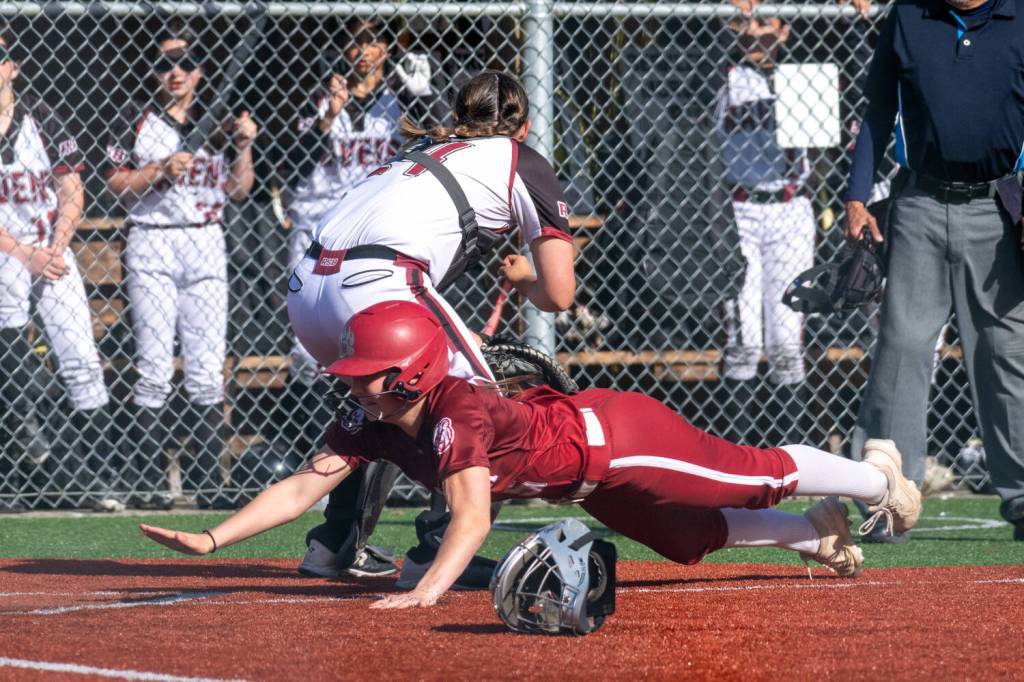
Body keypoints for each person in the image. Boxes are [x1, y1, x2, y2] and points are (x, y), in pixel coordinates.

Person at [140, 300, 922, 610]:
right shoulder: (380, 420)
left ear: (409, 372)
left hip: (617, 437)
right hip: (581, 482)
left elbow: (472, 518)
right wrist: (212, 539)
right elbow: (300, 489)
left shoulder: (457, 410)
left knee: (750, 475)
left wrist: (426, 592)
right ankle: (813, 531)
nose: (357, 389)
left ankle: (874, 476)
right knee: (688, 542)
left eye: (367, 375)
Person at [285, 70, 576, 583]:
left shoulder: (413, 152)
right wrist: (526, 280)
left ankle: (333, 546)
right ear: (524, 128)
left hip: (306, 287)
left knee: (385, 396)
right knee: (482, 401)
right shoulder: (521, 160)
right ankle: (437, 553)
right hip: (380, 278)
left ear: (457, 119)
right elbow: (559, 294)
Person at [844, 0, 1024, 542]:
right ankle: (887, 499)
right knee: (901, 347)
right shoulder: (909, 16)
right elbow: (877, 110)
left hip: (999, 206)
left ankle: (1022, 499)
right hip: (919, 202)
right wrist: (856, 196)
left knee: (1005, 351)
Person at [276, 21, 449, 578]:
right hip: (325, 244)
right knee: (352, 381)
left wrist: (422, 96)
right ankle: (346, 528)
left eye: (372, 40)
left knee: (380, 385)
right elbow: (288, 172)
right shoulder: (320, 95)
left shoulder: (401, 96)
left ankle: (338, 536)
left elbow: (438, 145)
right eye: (353, 40)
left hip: (379, 246)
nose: (363, 51)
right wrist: (328, 114)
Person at [102, 21, 258, 510]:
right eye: (167, 63)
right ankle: (149, 483)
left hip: (205, 240)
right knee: (152, 366)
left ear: (200, 72)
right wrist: (158, 171)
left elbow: (239, 190)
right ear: (154, 70)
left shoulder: (219, 120)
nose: (176, 72)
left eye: (186, 63)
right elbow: (115, 182)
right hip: (152, 241)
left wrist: (243, 145)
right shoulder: (136, 117)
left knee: (207, 370)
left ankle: (209, 481)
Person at [0, 29, 118, 511]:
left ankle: (91, 474)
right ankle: (16, 476)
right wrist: (20, 253)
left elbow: (73, 192)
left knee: (81, 360)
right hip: (5, 253)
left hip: (50, 249)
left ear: (12, 67)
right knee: (11, 368)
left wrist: (54, 247)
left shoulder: (42, 119)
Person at [715, 16, 815, 446]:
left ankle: (791, 454)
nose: (756, 32)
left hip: (791, 207)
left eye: (767, 22)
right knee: (744, 340)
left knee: (786, 341)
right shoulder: (719, 70)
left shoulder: (808, 72)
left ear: (788, 28)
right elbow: (695, 39)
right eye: (746, 22)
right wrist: (725, 20)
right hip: (738, 209)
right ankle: (735, 453)